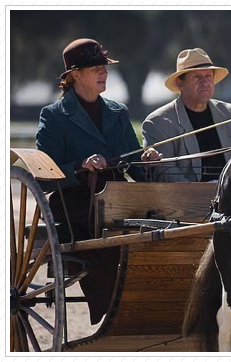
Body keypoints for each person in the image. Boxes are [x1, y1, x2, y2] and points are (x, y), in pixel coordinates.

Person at [36, 38, 162, 325]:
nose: (103, 73)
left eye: (104, 67)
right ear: (75, 74)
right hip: (76, 205)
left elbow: (135, 164)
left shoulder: (118, 112)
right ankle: (112, 317)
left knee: (156, 229)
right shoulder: (54, 116)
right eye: (95, 68)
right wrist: (81, 165)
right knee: (107, 239)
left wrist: (148, 160)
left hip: (119, 199)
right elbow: (45, 175)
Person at [142, 48, 231, 182]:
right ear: (180, 84)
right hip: (188, 199)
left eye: (208, 76)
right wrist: (202, 193)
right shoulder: (157, 123)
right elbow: (164, 172)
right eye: (197, 77)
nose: (204, 82)